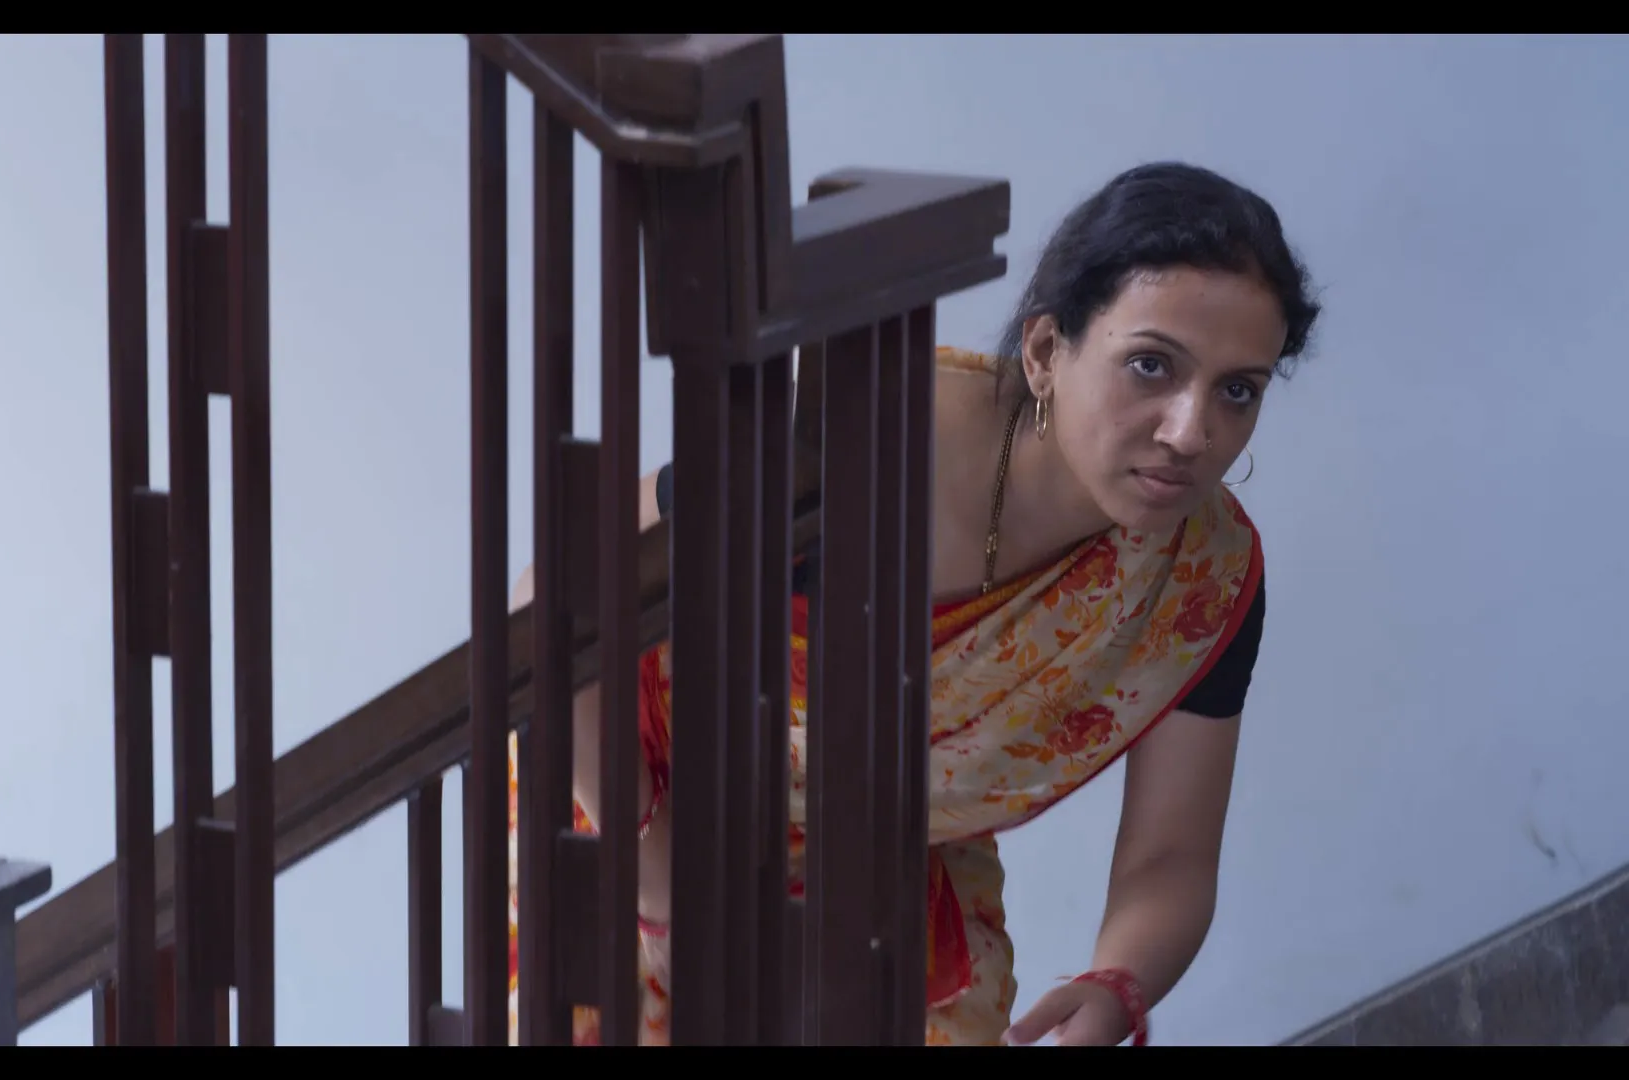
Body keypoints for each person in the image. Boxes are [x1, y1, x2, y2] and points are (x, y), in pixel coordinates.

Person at [505, 160, 1321, 1046]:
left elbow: (1171, 855)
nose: (1191, 432)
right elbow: (551, 597)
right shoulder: (859, 446)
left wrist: (1115, 985)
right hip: (636, 793)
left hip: (881, 850)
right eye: (1150, 366)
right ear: (1046, 352)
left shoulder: (1199, 578)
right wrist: (659, 877)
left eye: (1237, 389)